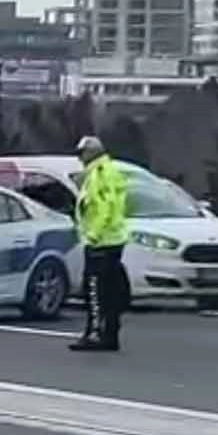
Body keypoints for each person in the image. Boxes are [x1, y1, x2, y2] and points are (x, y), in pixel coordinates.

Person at [69, 135, 129, 353]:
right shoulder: (109, 170)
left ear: (90, 153)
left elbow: (104, 207)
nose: (80, 159)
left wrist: (93, 235)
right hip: (112, 239)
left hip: (102, 241)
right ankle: (109, 334)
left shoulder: (99, 174)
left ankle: (95, 334)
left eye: (81, 153)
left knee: (95, 289)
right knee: (110, 292)